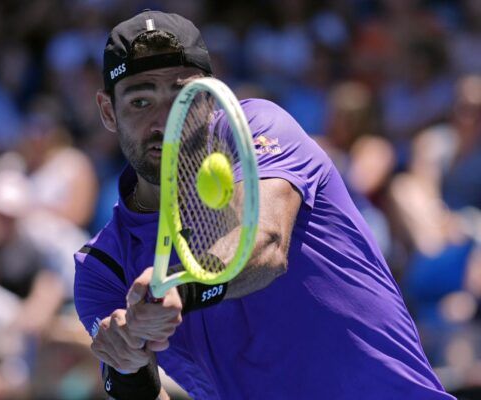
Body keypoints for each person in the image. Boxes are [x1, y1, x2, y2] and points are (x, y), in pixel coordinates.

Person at [73, 10, 455, 400]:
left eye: (181, 94)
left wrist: (183, 291)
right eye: (140, 101)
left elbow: (265, 244)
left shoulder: (259, 128)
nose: (165, 121)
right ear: (107, 111)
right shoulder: (102, 268)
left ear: (210, 95)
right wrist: (128, 366)